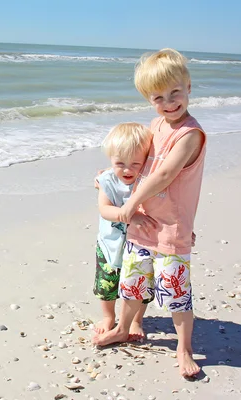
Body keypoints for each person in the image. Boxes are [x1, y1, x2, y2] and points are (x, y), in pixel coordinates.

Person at [92, 48, 206, 379]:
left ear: (188, 86)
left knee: (176, 294)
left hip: (170, 229)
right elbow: (133, 158)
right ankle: (123, 328)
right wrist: (106, 175)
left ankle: (184, 348)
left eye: (175, 92)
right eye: (158, 97)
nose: (169, 103)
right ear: (149, 99)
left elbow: (162, 176)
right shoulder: (156, 125)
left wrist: (129, 205)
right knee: (132, 285)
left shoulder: (190, 134)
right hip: (143, 225)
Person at [92, 123, 156, 343]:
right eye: (120, 164)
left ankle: (136, 320)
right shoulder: (108, 180)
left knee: (141, 288)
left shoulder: (148, 180)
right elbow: (104, 209)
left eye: (135, 164)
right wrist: (128, 215)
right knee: (106, 285)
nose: (127, 170)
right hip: (110, 244)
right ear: (111, 159)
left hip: (141, 246)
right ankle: (108, 317)